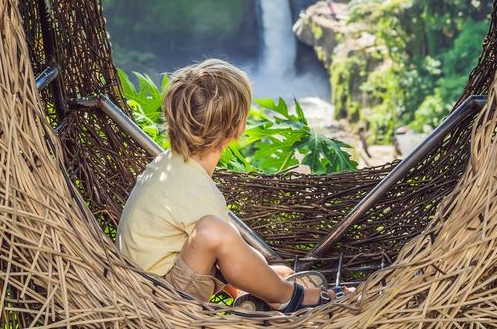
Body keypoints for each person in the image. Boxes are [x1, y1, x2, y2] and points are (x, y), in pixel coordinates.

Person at [116, 59, 348, 313]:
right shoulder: (197, 190)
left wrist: (264, 273)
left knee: (265, 268)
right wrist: (268, 277)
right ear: (237, 127)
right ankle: (289, 297)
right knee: (213, 231)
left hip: (144, 285)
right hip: (161, 300)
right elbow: (224, 246)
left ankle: (252, 294)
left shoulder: (168, 165)